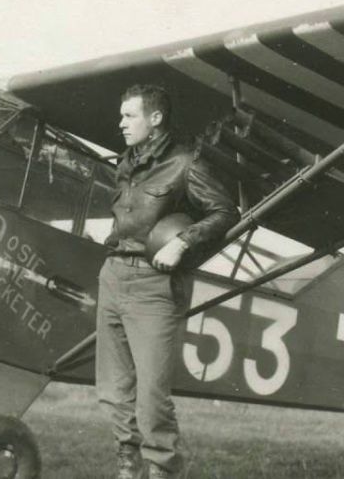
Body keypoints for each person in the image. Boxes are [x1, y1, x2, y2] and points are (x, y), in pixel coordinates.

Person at [98, 84, 239, 479]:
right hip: (113, 276)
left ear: (155, 118)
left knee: (152, 399)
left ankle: (161, 470)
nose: (121, 123)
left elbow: (225, 211)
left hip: (152, 286)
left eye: (130, 116)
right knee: (112, 392)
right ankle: (129, 467)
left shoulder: (185, 163)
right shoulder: (127, 162)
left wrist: (183, 241)